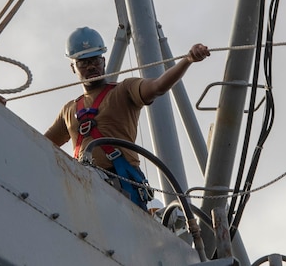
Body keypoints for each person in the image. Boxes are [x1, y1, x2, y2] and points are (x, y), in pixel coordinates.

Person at [44, 26, 210, 209]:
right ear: (73, 67)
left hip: (122, 183)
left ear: (103, 61)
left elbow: (158, 87)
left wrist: (188, 60)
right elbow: (38, 143)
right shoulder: (69, 110)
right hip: (83, 183)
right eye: (83, 63)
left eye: (95, 60)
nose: (91, 66)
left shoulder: (124, 91)